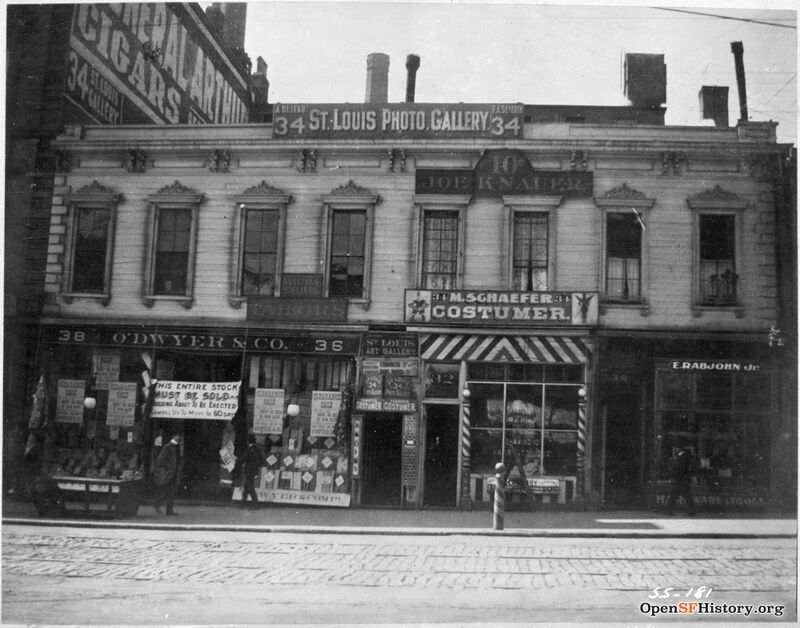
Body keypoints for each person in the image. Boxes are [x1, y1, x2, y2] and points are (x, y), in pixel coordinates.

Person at [153, 433, 182, 515]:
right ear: (173, 436)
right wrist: (169, 467)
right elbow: (160, 460)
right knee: (168, 491)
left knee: (170, 492)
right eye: (178, 436)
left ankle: (166, 508)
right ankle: (161, 505)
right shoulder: (168, 446)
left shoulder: (177, 446)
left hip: (174, 473)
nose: (179, 438)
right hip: (169, 474)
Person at [666, 446, 696, 516]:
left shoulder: (681, 456)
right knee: (686, 495)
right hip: (684, 479)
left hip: (681, 479)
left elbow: (681, 468)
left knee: (675, 494)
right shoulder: (687, 456)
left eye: (676, 448)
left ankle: (670, 509)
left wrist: (675, 474)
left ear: (679, 449)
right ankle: (691, 510)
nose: (675, 450)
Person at [237, 434, 265, 510]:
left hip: (249, 471)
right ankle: (242, 504)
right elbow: (262, 460)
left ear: (248, 441)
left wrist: (236, 459)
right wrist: (256, 465)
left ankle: (256, 504)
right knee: (246, 487)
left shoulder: (249, 449)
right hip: (254, 471)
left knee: (251, 488)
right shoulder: (257, 449)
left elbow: (244, 458)